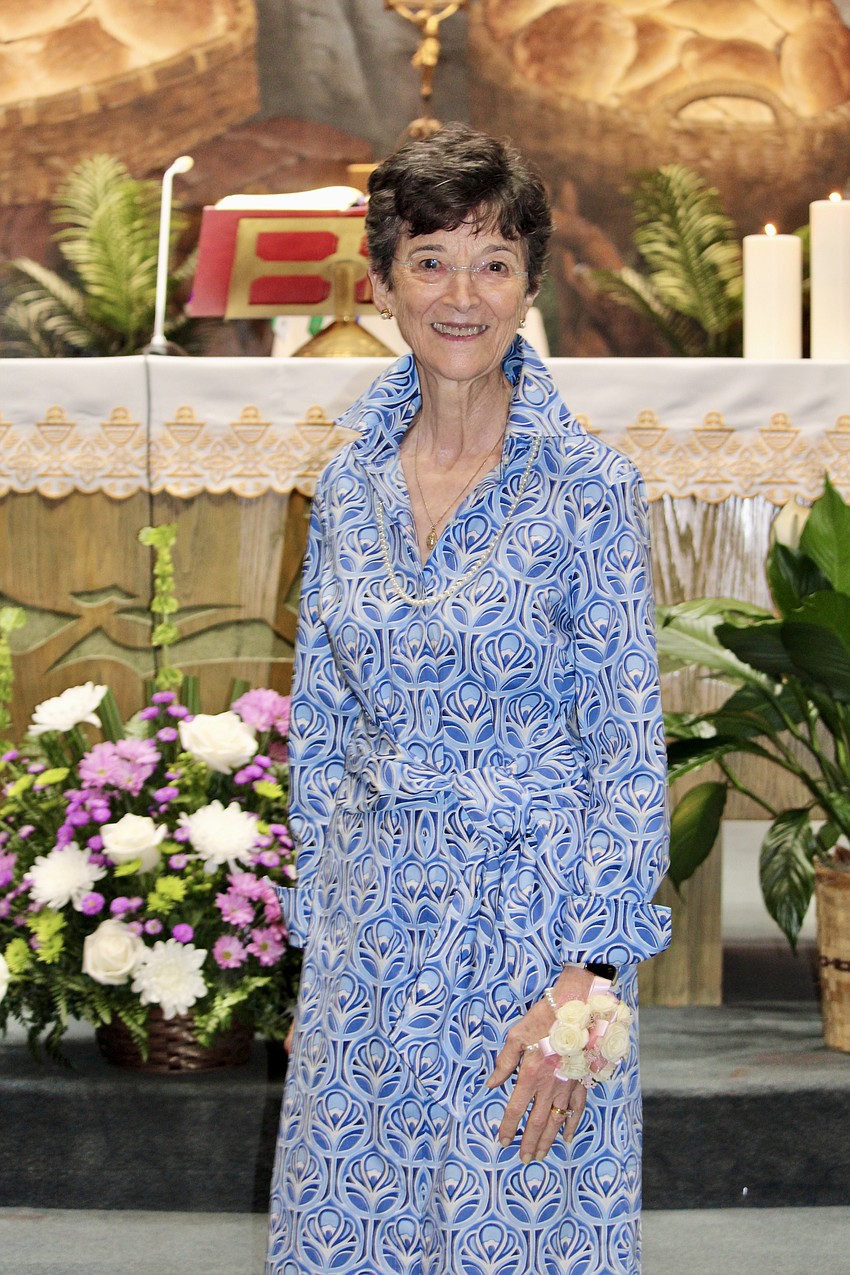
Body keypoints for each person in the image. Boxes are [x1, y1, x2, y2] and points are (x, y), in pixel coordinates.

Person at [266, 123, 671, 1275]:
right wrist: (319, 953)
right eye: (431, 258)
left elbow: (627, 754)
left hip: (530, 944)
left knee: (516, 1241)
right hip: (370, 935)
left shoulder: (587, 488)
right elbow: (327, 734)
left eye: (493, 262)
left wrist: (586, 989)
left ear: (529, 285)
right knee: (351, 1236)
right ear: (384, 279)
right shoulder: (345, 482)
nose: (461, 294)